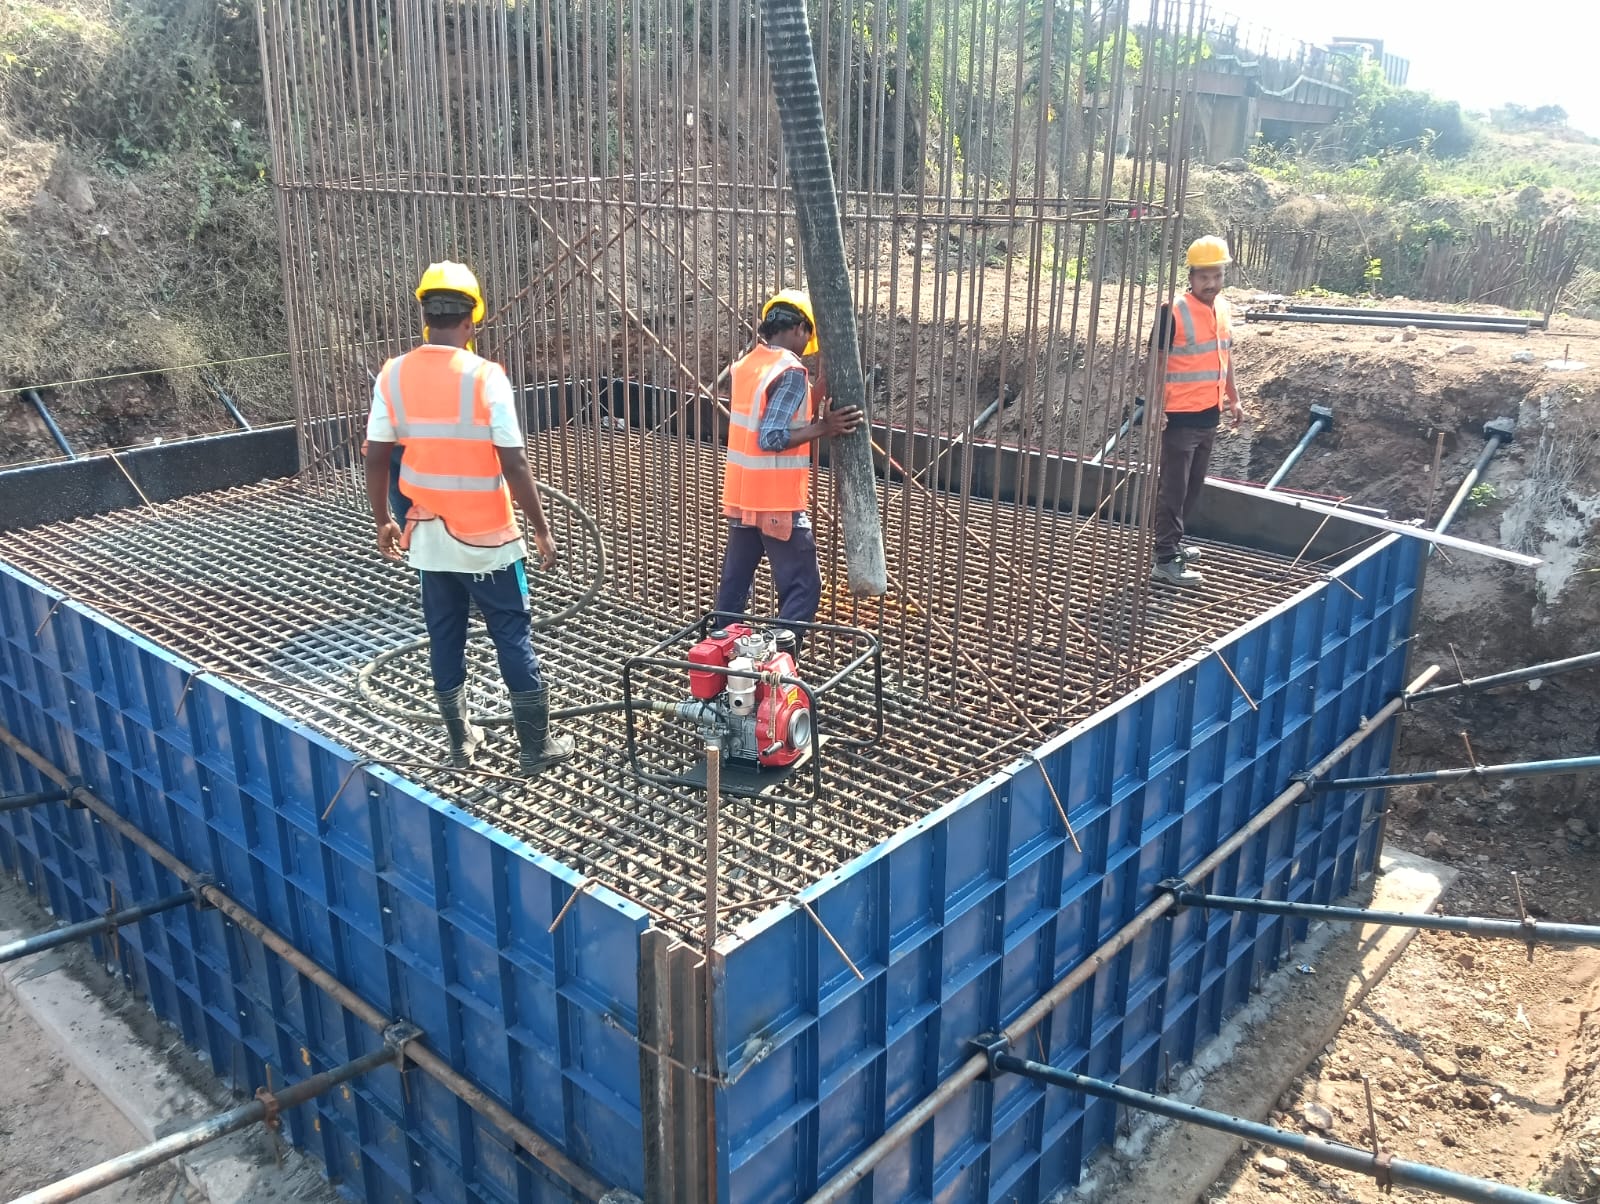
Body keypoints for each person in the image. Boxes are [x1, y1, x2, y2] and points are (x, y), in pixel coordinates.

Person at [363, 260, 575, 773]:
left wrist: (382, 519)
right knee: (511, 634)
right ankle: (535, 747)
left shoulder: (393, 374)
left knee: (445, 635)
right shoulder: (486, 377)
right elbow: (514, 462)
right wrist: (541, 529)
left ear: (424, 316)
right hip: (488, 541)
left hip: (428, 538)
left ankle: (461, 744)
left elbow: (376, 455)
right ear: (472, 318)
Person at [714, 289, 862, 652]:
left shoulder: (750, 364)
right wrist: (826, 427)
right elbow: (772, 435)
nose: (807, 348)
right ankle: (776, 660)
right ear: (799, 328)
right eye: (808, 337)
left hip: (743, 498)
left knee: (734, 586)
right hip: (775, 502)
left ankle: (719, 654)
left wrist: (819, 388)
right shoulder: (791, 370)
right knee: (804, 586)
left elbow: (777, 412)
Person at [1150, 235, 1243, 587]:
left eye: (1217, 275)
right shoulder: (1172, 310)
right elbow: (1156, 362)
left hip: (1208, 414)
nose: (1212, 283)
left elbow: (1224, 356)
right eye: (1204, 276)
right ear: (1191, 276)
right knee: (1173, 489)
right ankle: (1164, 559)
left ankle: (1172, 544)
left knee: (1192, 488)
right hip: (1179, 417)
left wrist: (1234, 398)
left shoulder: (1223, 308)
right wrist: (1156, 406)